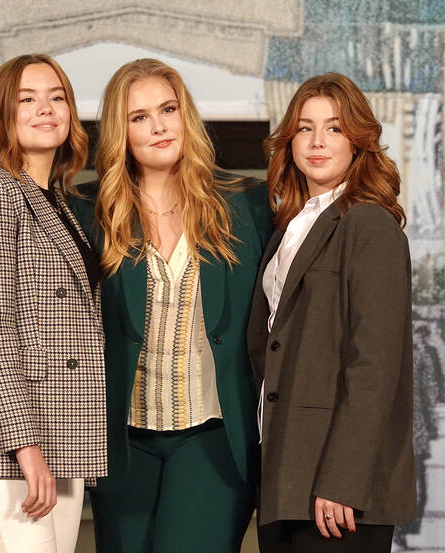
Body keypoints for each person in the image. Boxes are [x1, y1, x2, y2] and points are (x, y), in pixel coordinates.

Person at [67, 58, 272, 553]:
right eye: (139, 117)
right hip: (121, 440)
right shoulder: (86, 211)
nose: (159, 126)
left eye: (168, 109)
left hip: (214, 434)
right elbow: (35, 298)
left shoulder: (247, 203)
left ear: (186, 116)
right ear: (120, 132)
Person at [0, 53, 107, 553]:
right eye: (26, 99)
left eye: (56, 97)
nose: (45, 108)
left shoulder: (56, 200)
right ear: (1, 114)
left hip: (61, 431)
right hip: (1, 440)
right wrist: (26, 448)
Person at [247, 73, 416, 553]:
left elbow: (374, 366)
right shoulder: (288, 228)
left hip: (337, 490)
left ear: (358, 141)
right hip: (285, 476)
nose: (317, 141)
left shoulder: (369, 224)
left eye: (334, 128)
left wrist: (342, 479)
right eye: (305, 128)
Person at [394, 323, 444, 550]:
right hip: (411, 431)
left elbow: (429, 392)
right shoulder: (421, 356)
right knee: (416, 485)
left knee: (408, 485)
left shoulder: (420, 356)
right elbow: (429, 393)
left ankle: (399, 529)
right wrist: (432, 425)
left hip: (406, 431)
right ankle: (401, 529)